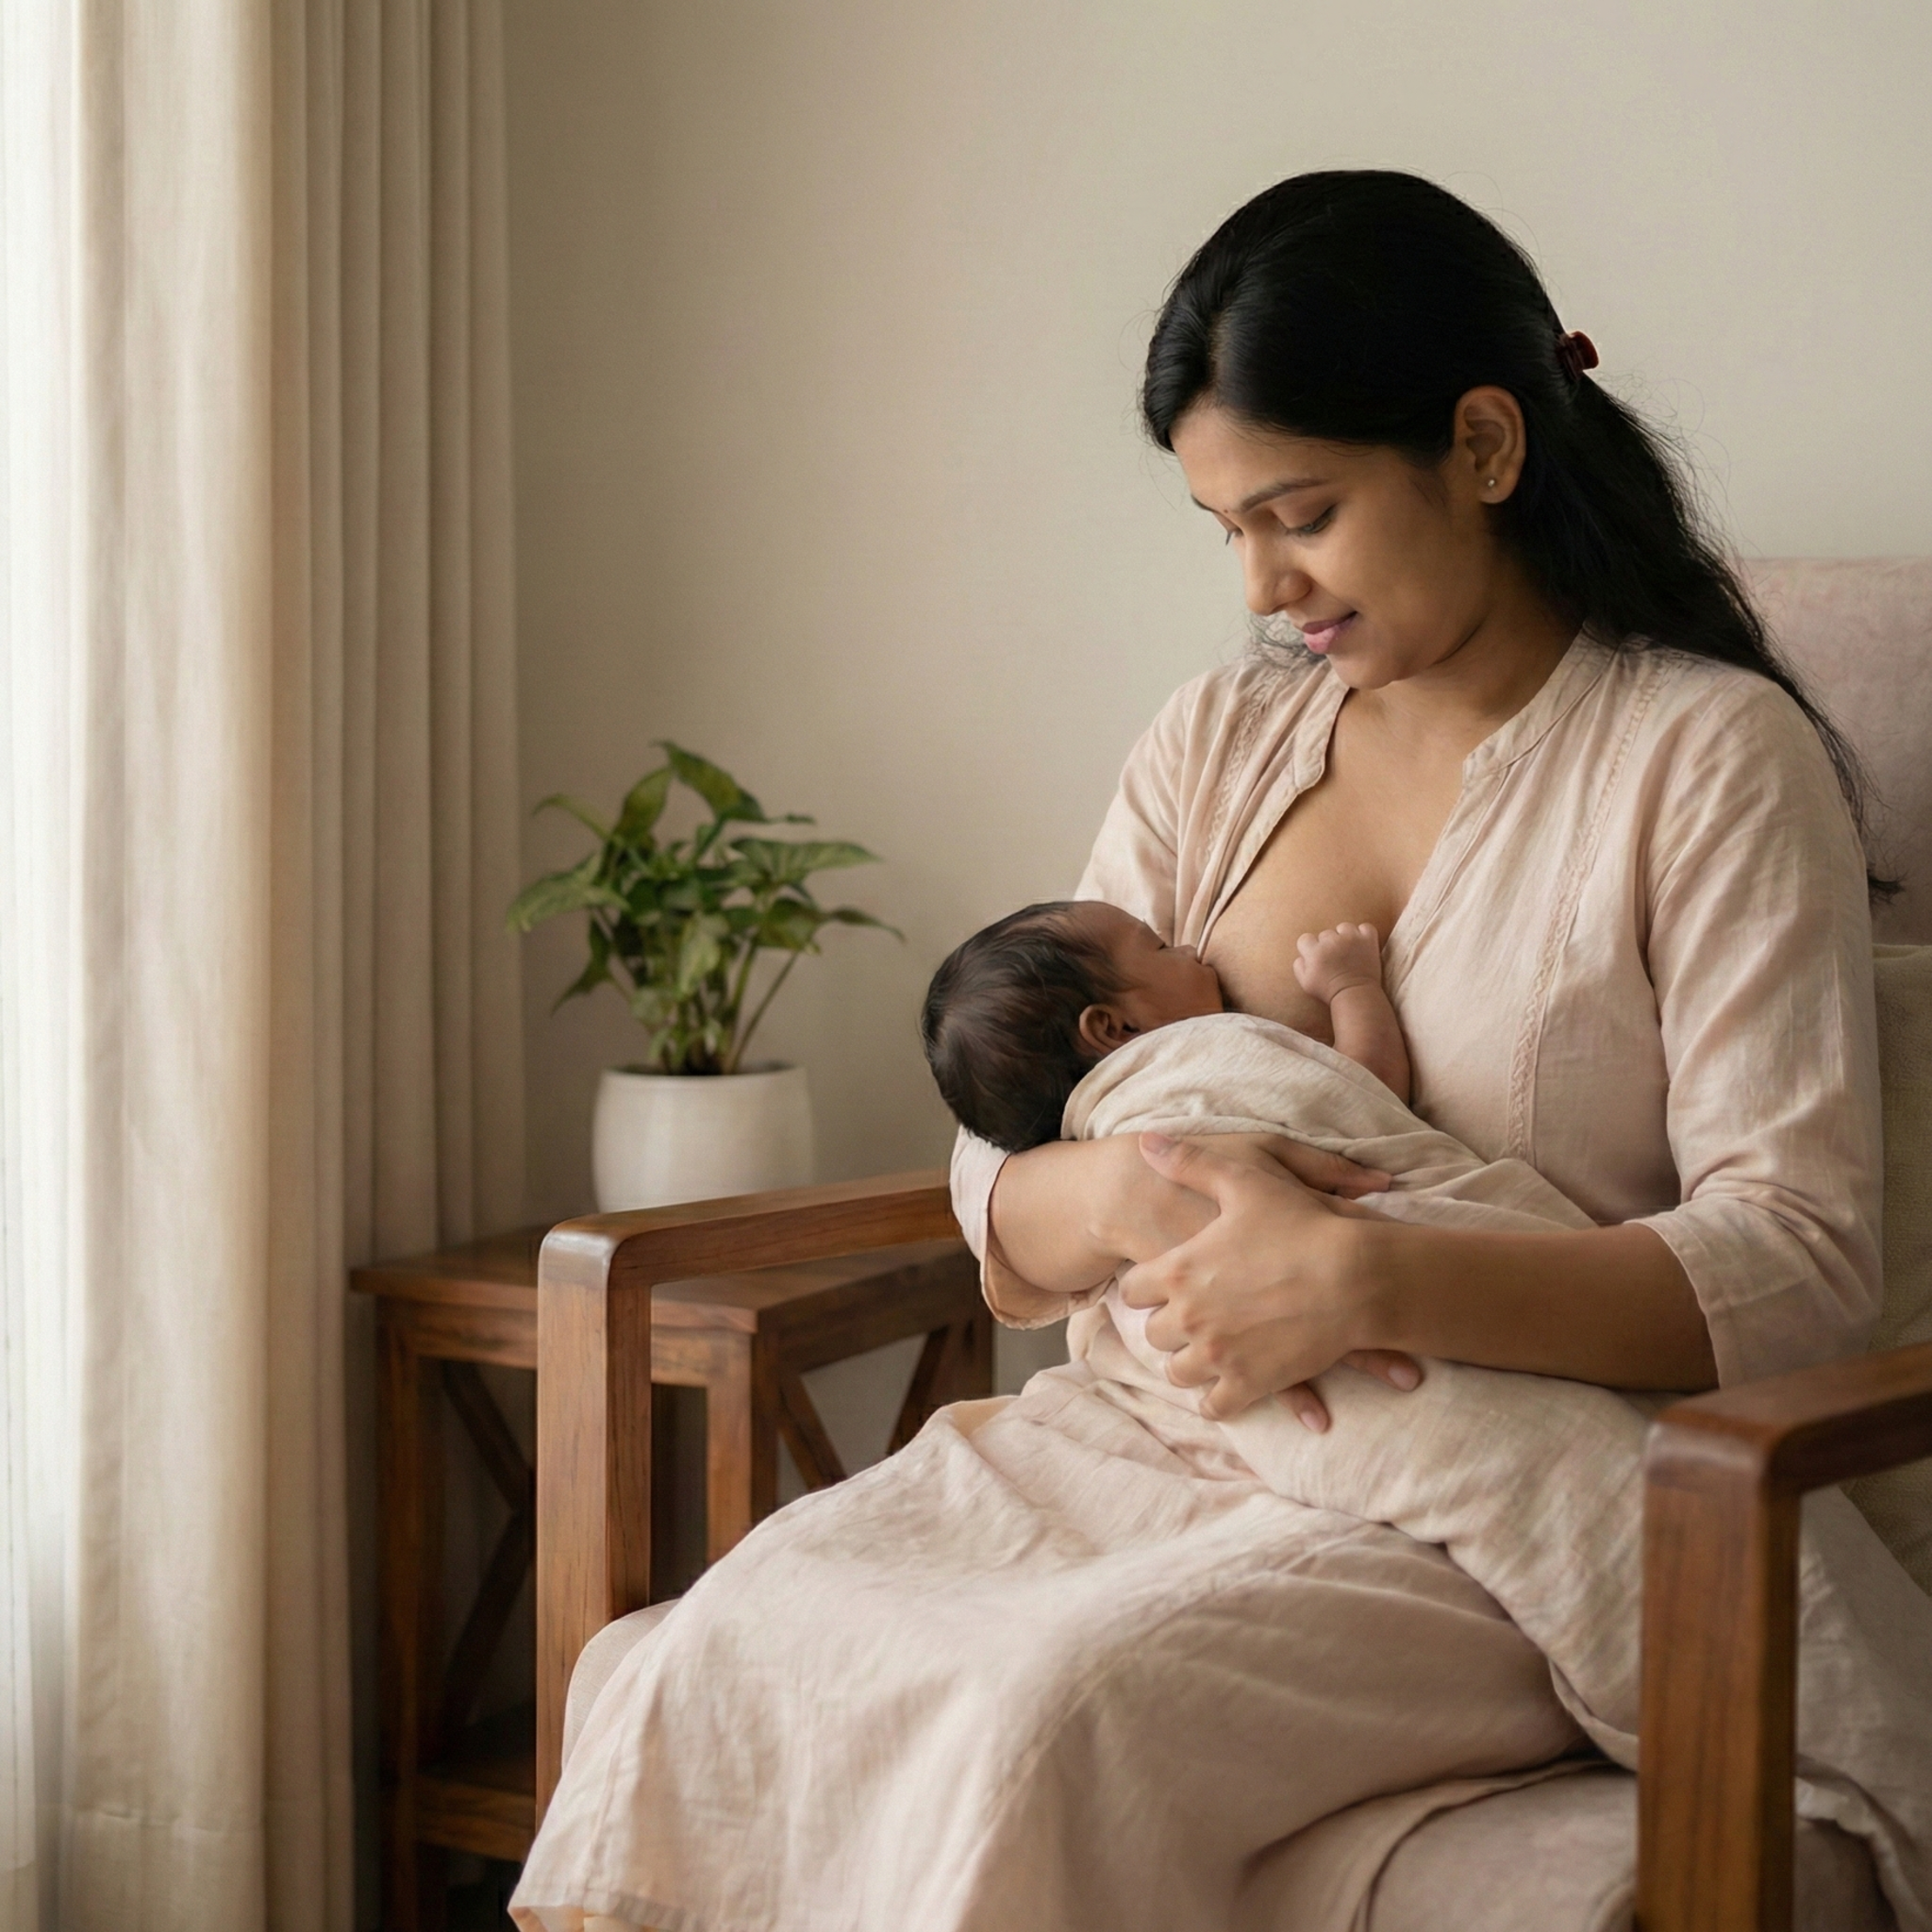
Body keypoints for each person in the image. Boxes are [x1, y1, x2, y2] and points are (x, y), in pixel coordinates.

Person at [511, 171, 1918, 1932]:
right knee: (718, 1650)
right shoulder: (1218, 742)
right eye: (1223, 527)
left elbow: (1797, 1266)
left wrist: (1356, 1276)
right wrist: (1128, 1182)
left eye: (1300, 513)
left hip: (1495, 1484)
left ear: (1482, 445)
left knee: (1038, 1713)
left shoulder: (1701, 759)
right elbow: (1001, 1167)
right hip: (1154, 1423)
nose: (1260, 582)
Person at [920, 899, 1407, 1154]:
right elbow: (1369, 1093)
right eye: (1157, 947)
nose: (1189, 949)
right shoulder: (1199, 1069)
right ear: (1113, 1028)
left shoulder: (1098, 1140)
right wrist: (1352, 987)